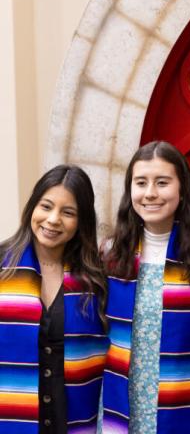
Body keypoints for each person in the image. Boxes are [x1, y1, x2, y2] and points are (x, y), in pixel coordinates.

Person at [99, 141, 190, 433]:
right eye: (141, 183)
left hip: (186, 397)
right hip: (124, 397)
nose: (150, 193)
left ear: (182, 189)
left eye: (162, 182)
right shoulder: (112, 253)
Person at [0, 165, 108, 434]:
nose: (53, 219)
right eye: (46, 206)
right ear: (32, 208)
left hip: (73, 421)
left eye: (68, 212)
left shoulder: (95, 279)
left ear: (82, 221)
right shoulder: (3, 266)